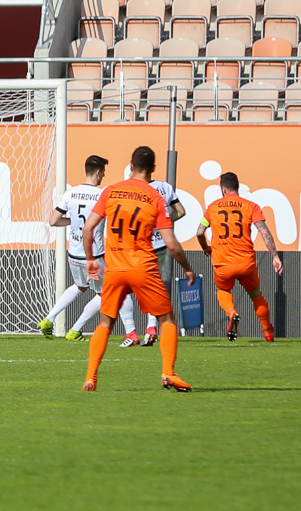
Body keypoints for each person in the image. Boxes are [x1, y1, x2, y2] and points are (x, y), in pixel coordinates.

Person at [80, 146, 197, 392]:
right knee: (166, 319)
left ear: (131, 166)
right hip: (144, 267)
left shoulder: (110, 191)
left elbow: (88, 228)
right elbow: (172, 244)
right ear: (153, 169)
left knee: (106, 321)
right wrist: (187, 268)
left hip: (115, 268)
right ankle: (168, 373)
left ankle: (90, 378)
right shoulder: (155, 198)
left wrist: (90, 258)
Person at [39, 155, 136, 345]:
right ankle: (76, 330)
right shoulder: (102, 195)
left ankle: (48, 319)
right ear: (98, 172)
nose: (103, 176)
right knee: (108, 293)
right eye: (103, 173)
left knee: (80, 286)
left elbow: (53, 221)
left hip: (74, 253)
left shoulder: (70, 193)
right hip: (93, 255)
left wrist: (74, 222)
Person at [196, 172, 284, 342]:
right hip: (246, 263)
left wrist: (206, 248)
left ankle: (232, 313)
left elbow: (199, 232)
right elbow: (264, 232)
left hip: (223, 263)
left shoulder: (213, 207)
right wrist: (275, 256)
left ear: (223, 189)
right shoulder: (250, 206)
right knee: (256, 295)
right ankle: (267, 331)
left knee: (223, 290)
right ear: (238, 187)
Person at [140, 176, 186, 347]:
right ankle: (152, 327)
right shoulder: (165, 187)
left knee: (124, 287)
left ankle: (135, 330)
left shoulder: (134, 188)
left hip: (141, 244)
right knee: (153, 285)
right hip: (160, 245)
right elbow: (180, 211)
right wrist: (162, 223)